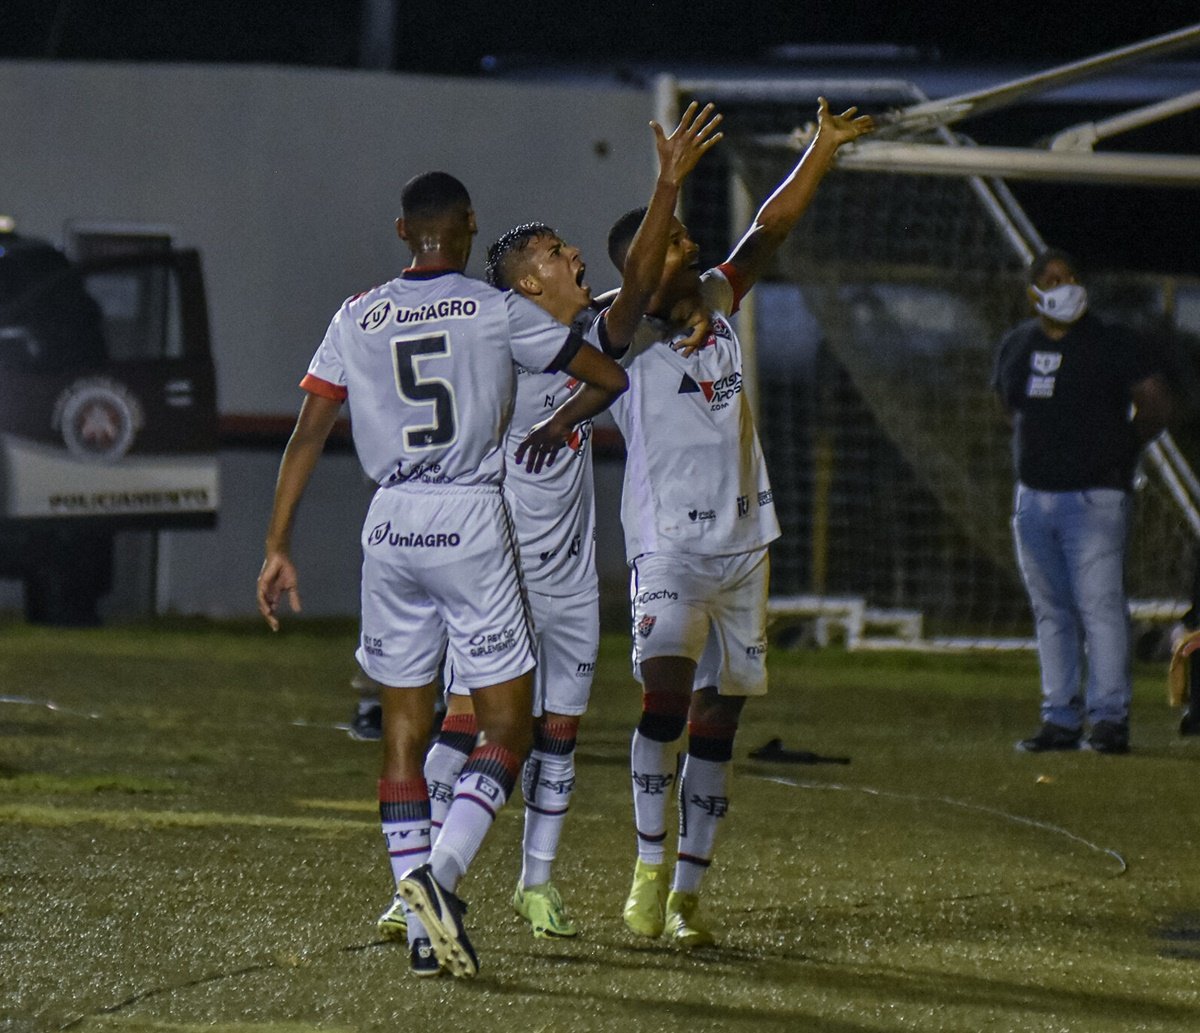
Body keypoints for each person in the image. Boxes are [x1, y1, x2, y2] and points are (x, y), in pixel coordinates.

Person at [256, 171, 627, 979]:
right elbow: (607, 376)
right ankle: (440, 878)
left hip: (387, 524)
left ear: (401, 231)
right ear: (467, 226)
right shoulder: (499, 310)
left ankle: (416, 912)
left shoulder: (356, 314)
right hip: (467, 516)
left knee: (403, 726)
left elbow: (309, 431)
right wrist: (551, 416)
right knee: (507, 725)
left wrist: (278, 543)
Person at [376, 102, 724, 945]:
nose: (575, 257)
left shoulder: (555, 327)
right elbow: (634, 293)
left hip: (565, 574)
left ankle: (534, 885)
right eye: (560, 255)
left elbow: (645, 296)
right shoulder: (525, 336)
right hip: (500, 568)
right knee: (476, 725)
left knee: (558, 734)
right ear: (529, 283)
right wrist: (668, 183)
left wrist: (687, 309)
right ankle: (420, 882)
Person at [601, 97, 875, 948]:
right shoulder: (619, 331)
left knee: (720, 723)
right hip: (671, 550)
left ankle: (687, 892)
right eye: (673, 239)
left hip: (745, 547)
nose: (687, 244)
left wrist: (822, 149)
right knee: (665, 703)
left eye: (682, 235)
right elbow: (644, 277)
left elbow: (768, 228)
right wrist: (665, 183)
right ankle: (648, 866)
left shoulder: (714, 299)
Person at [992, 248, 1173, 755]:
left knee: (1100, 607)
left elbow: (1155, 401)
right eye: (1051, 278)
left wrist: (1120, 448)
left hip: (1095, 499)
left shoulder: (1112, 341)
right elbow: (1009, 406)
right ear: (1033, 293)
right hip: (1033, 498)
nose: (1064, 284)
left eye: (1070, 275)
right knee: (1051, 611)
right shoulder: (1016, 345)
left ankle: (1110, 719)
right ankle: (1060, 719)